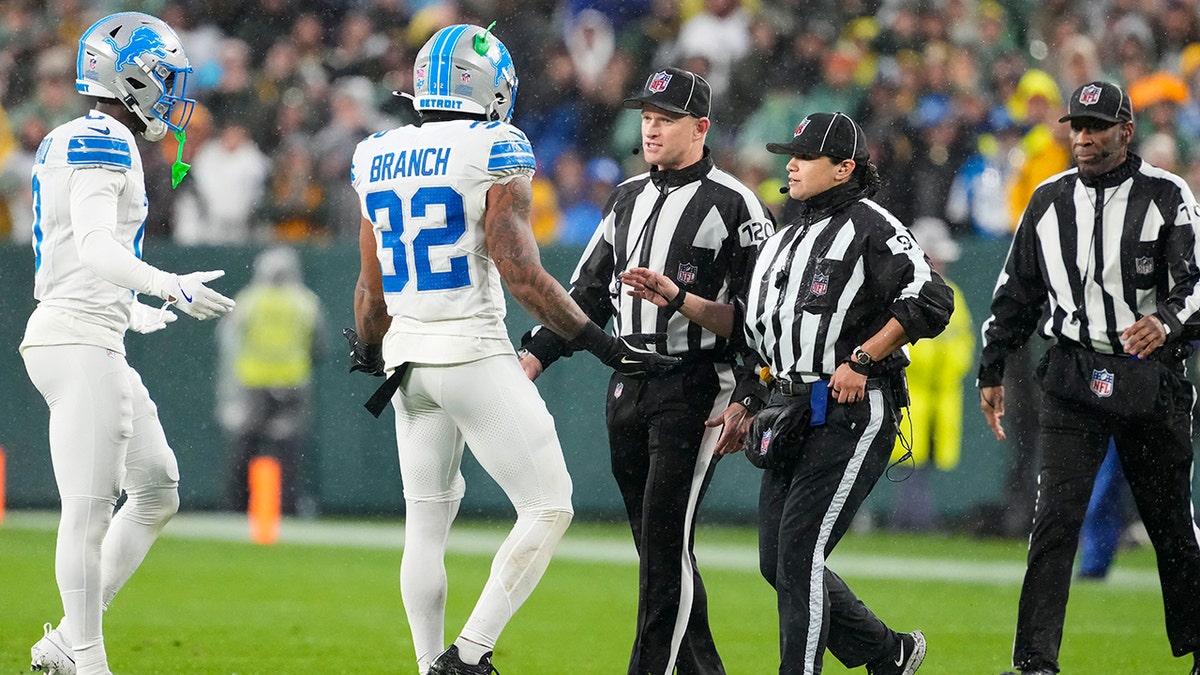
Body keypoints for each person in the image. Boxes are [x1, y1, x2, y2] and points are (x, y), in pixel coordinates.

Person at [346, 24, 678, 675]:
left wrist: (370, 343)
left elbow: (370, 283)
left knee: (426, 525)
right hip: (469, 351)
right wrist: (599, 340)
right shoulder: (495, 144)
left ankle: (428, 664)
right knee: (550, 503)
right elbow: (520, 269)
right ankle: (467, 655)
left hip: (407, 362)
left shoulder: (377, 152)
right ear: (489, 87)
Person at [620, 110, 952, 675]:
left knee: (798, 556)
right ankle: (887, 652)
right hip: (788, 408)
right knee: (778, 560)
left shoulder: (872, 226)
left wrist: (864, 358)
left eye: (803, 158)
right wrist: (684, 306)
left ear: (844, 168)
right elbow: (752, 333)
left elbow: (931, 299)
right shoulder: (781, 239)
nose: (790, 166)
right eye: (788, 156)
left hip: (850, 408)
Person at [519, 66, 775, 675]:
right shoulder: (628, 195)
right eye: (647, 118)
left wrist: (749, 394)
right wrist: (533, 354)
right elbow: (586, 292)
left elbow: (760, 317)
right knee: (660, 548)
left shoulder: (735, 204)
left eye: (666, 120)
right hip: (628, 382)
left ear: (701, 128)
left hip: (695, 385)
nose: (652, 129)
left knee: (663, 547)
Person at [20, 12, 236, 675]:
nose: (172, 94)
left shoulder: (79, 135)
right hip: (78, 338)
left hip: (85, 327)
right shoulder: (105, 140)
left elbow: (73, 251)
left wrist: (130, 308)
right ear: (131, 77)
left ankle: (66, 642)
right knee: (87, 512)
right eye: (163, 78)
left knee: (156, 488)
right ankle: (86, 658)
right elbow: (91, 244)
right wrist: (169, 286)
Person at [977, 81, 1200, 675]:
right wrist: (992, 365)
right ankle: (1034, 663)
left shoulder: (1167, 194)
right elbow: (1016, 292)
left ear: (1126, 131)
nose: (1084, 137)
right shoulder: (1048, 200)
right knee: (1053, 522)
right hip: (1073, 374)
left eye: (1097, 126)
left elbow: (1197, 283)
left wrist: (1168, 322)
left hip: (1149, 378)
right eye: (1077, 126)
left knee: (1171, 524)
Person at [216, 245, 326, 516]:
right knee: (289, 450)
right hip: (292, 383)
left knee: (244, 447)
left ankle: (237, 505)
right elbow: (319, 345)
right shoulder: (305, 302)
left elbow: (228, 340)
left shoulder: (249, 300)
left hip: (252, 383)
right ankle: (287, 506)